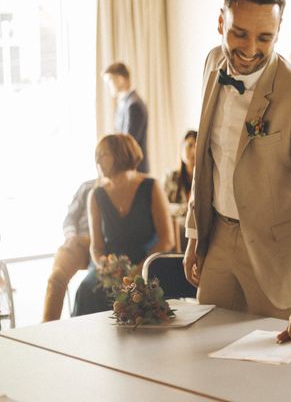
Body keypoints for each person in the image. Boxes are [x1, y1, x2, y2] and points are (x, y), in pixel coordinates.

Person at [182, 0, 291, 342]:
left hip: (276, 255)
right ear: (221, 22)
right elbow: (206, 158)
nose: (250, 48)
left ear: (279, 31)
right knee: (208, 355)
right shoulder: (211, 64)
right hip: (218, 238)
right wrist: (195, 233)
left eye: (264, 37)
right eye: (239, 33)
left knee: (275, 378)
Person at [72, 134, 174, 316]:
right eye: (96, 155)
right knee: (87, 290)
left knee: (145, 294)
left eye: (103, 154)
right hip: (111, 267)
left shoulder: (151, 187)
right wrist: (107, 269)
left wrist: (138, 269)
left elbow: (167, 240)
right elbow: (96, 247)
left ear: (121, 154)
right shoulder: (96, 195)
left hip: (147, 262)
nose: (97, 160)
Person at [42, 179, 95, 321]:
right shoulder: (88, 186)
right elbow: (70, 218)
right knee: (57, 277)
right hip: (81, 242)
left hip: (109, 245)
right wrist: (71, 236)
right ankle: (47, 327)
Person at [103, 62, 150, 173]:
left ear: (120, 79)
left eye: (110, 81)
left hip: (134, 170)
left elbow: (128, 143)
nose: (109, 86)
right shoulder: (125, 103)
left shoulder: (133, 105)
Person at [163, 130, 197, 252]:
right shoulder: (172, 177)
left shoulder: (204, 179)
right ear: (182, 148)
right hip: (177, 225)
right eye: (189, 146)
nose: (193, 151)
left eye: (197, 147)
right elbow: (164, 207)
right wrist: (184, 209)